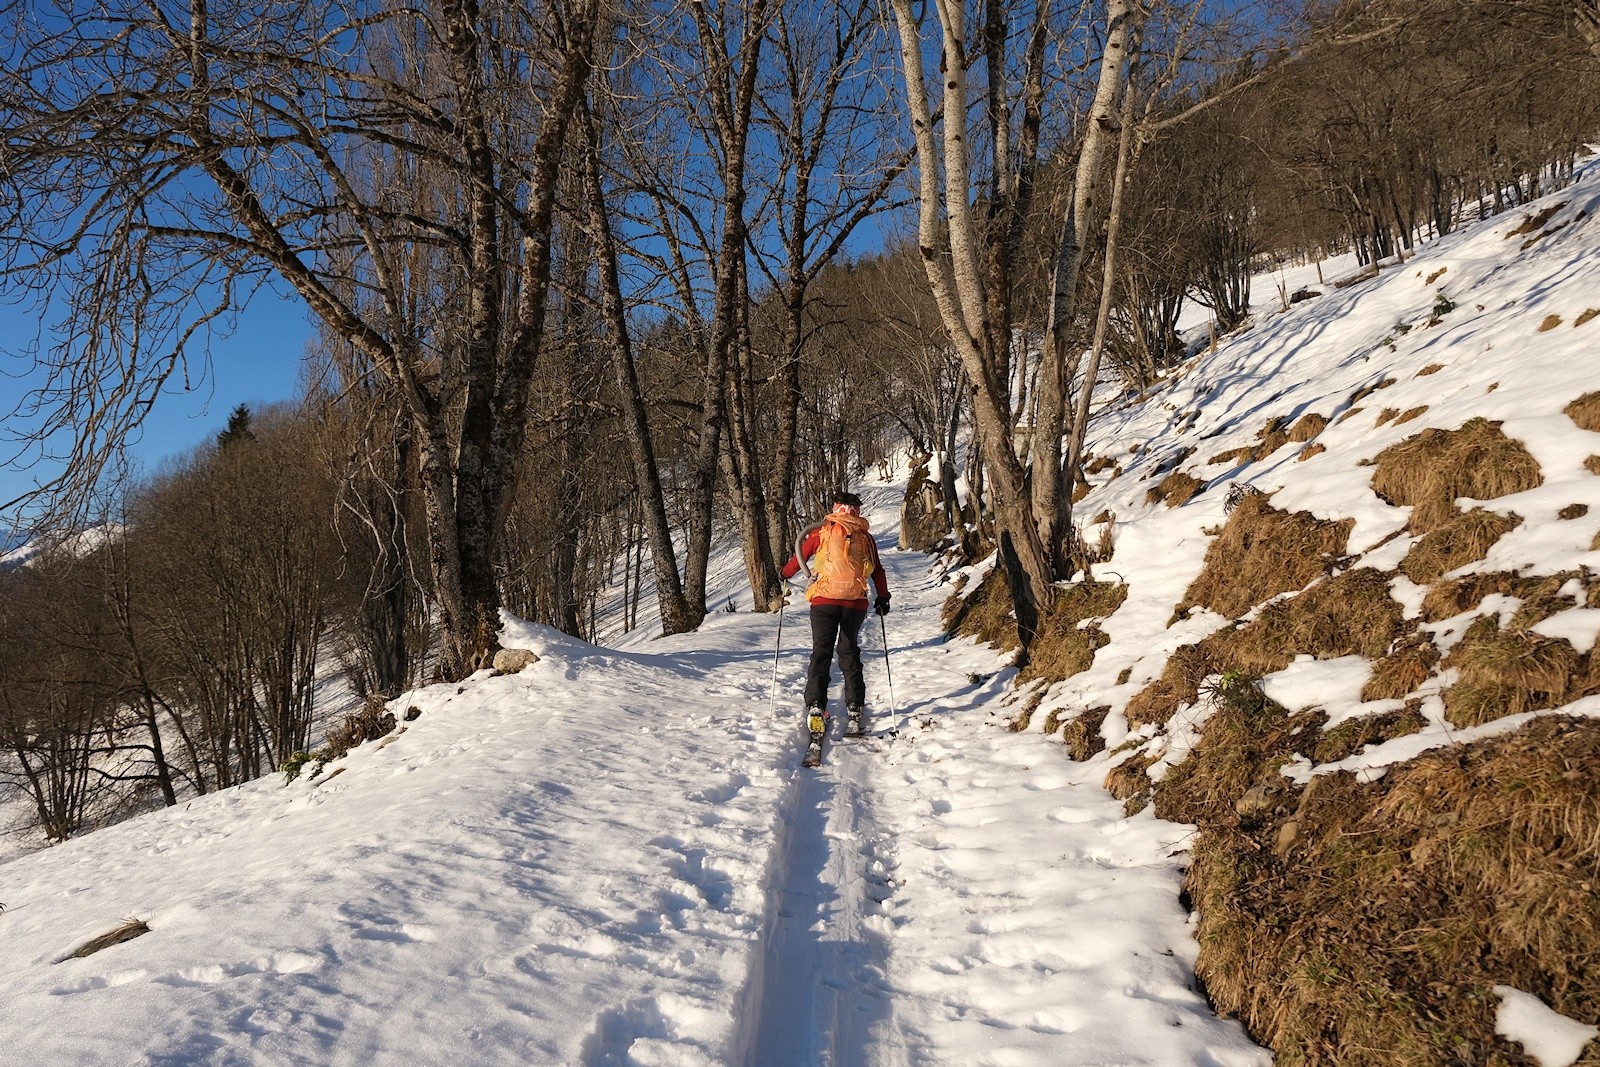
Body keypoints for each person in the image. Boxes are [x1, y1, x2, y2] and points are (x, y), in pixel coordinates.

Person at [780, 491, 891, 738]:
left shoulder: (821, 532)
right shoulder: (866, 538)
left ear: (835, 508)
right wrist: (883, 597)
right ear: (857, 511)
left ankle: (816, 707)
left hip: (823, 602)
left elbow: (799, 560)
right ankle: (854, 708)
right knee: (848, 651)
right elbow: (877, 572)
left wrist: (784, 574)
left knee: (821, 651)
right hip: (855, 604)